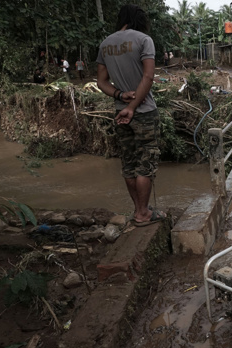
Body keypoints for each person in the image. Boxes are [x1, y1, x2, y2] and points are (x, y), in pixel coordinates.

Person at [96, 4, 166, 226]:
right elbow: (148, 77)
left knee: (128, 163)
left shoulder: (106, 44)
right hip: (143, 112)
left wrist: (120, 96)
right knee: (146, 162)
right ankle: (144, 214)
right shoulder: (144, 40)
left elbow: (101, 82)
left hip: (120, 112)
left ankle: (139, 210)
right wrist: (134, 106)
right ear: (139, 19)